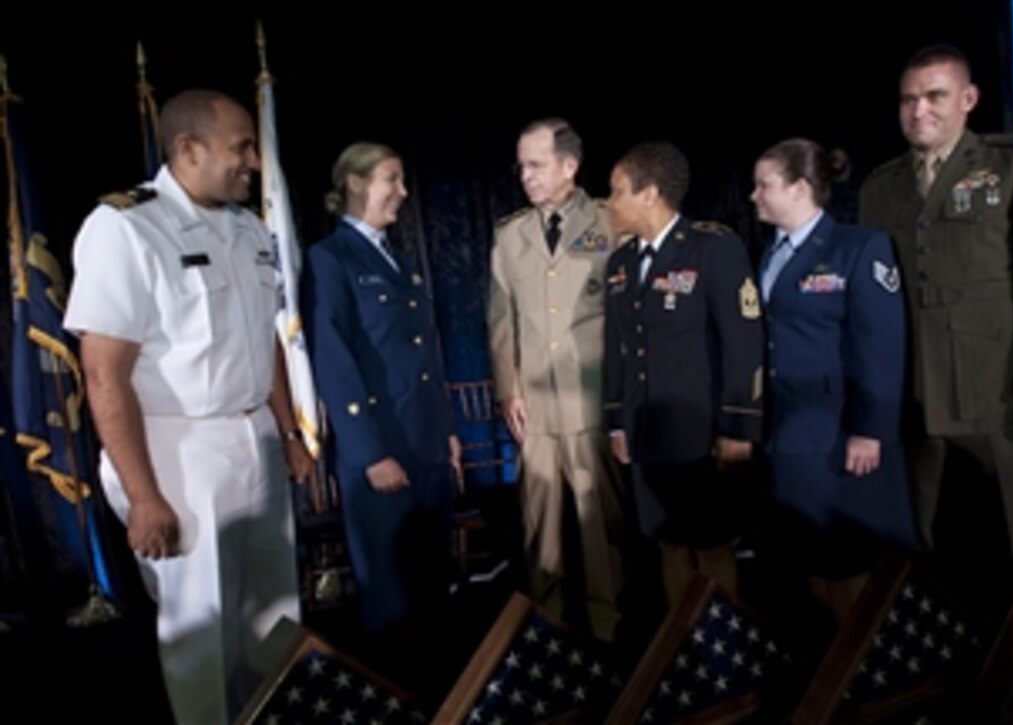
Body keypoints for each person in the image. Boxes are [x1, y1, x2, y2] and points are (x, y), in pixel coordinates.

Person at [64, 89, 314, 724]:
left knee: (275, 613)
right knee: (202, 629)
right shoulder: (125, 228)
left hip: (254, 435)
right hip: (179, 449)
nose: (253, 161)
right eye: (240, 148)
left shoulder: (247, 226)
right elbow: (103, 374)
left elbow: (265, 339)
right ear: (187, 149)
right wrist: (145, 497)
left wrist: (288, 433)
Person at [859, 45, 1013, 622]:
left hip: (1000, 393)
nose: (919, 111)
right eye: (909, 99)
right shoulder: (879, 188)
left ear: (968, 99)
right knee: (934, 555)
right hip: (917, 400)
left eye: (934, 96)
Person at [300, 142, 460, 691]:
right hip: (382, 454)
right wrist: (369, 453)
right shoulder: (331, 258)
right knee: (392, 605)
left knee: (433, 590)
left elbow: (421, 356)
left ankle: (442, 700)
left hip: (426, 447)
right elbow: (334, 360)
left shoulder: (398, 257)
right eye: (393, 178)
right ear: (356, 183)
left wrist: (448, 435)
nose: (403, 191)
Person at [751, 138, 915, 624]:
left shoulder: (859, 248)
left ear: (800, 188)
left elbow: (881, 345)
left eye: (764, 185)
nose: (753, 195)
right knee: (809, 562)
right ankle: (825, 674)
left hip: (838, 434)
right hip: (789, 432)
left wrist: (871, 429)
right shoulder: (771, 254)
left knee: (848, 566)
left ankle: (860, 675)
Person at [603, 141, 763, 607]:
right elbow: (617, 350)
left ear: (649, 193)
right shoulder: (621, 264)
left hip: (702, 436)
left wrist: (738, 426)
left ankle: (726, 656)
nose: (608, 203)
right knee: (669, 544)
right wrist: (617, 421)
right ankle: (686, 651)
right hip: (648, 436)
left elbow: (743, 343)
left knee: (711, 546)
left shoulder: (713, 248)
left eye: (616, 192)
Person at [488, 119, 626, 641]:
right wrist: (508, 387)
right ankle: (548, 631)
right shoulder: (510, 234)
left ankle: (609, 628)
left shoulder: (611, 222)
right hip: (536, 408)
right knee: (539, 532)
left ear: (570, 166)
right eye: (521, 165)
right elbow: (502, 320)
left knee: (601, 529)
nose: (526, 175)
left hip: (592, 402)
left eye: (537, 164)